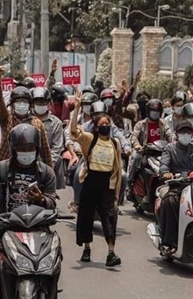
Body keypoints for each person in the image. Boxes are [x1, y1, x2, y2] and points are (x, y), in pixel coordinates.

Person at [0, 124, 57, 299]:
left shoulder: (46, 173)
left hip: (39, 232)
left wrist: (41, 200)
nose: (26, 152)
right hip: (4, 231)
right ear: (13, 149)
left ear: (37, 149)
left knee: (53, 268)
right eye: (21, 148)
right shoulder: (0, 170)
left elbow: (52, 202)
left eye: (30, 148)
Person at [70, 90, 123, 267]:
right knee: (85, 216)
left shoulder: (115, 143)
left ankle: (111, 252)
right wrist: (77, 108)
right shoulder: (89, 139)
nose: (106, 126)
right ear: (96, 126)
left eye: (108, 123)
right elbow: (73, 131)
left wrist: (116, 191)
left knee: (109, 217)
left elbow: (117, 168)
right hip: (91, 181)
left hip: (106, 184)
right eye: (102, 124)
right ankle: (87, 248)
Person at [159, 114, 193, 254]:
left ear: (192, 134)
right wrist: (166, 172)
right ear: (176, 134)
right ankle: (169, 242)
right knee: (169, 201)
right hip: (178, 186)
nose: (185, 134)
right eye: (182, 132)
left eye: (188, 132)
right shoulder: (170, 149)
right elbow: (164, 165)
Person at [0, 66, 52, 167]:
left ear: (30, 104)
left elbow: (45, 152)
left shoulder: (37, 124)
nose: (22, 104)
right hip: (7, 167)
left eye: (25, 101)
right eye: (18, 101)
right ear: (12, 104)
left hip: (30, 168)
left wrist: (50, 175)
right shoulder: (7, 119)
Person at [129, 99, 173, 183]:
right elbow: (134, 136)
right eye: (153, 110)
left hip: (161, 152)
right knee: (135, 157)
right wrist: (137, 145)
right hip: (144, 152)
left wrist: (172, 142)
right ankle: (130, 180)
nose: (155, 113)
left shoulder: (163, 123)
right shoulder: (141, 124)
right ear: (148, 111)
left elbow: (169, 134)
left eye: (157, 111)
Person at [31, 87, 65, 189]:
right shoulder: (26, 119)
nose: (40, 104)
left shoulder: (56, 123)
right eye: (38, 102)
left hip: (48, 161)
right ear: (32, 103)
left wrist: (48, 167)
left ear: (48, 103)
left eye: (43, 102)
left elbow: (57, 147)